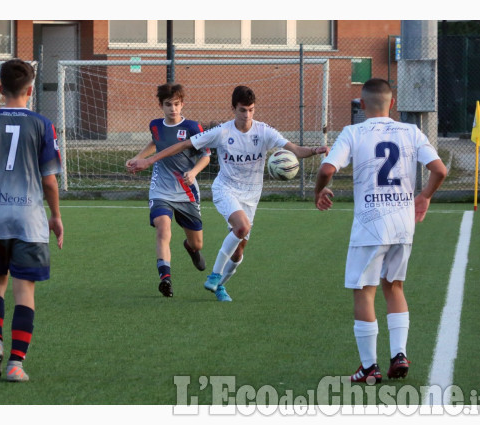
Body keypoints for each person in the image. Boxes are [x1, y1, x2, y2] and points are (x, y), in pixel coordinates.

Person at [129, 85, 327, 301]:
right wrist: (148, 160)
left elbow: (295, 150)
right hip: (225, 189)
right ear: (234, 109)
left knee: (239, 251)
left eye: (251, 110)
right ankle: (211, 275)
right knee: (241, 227)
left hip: (251, 196)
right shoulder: (222, 132)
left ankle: (220, 285)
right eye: (243, 110)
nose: (247, 115)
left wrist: (314, 151)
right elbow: (183, 144)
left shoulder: (264, 131)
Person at [314, 78, 447, 383]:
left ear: (361, 106)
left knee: (364, 291)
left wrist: (319, 191)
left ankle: (369, 367)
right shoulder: (411, 131)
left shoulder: (353, 132)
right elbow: (440, 169)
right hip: (403, 223)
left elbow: (326, 169)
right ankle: (399, 354)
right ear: (393, 104)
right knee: (394, 287)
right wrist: (424, 196)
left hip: (370, 225)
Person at [0, 59, 63, 383]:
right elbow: (50, 180)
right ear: (31, 90)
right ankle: (16, 364)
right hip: (29, 221)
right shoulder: (43, 124)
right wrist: (56, 215)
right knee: (25, 292)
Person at [126, 83, 210, 298]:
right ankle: (165, 278)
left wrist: (193, 173)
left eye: (176, 104)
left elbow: (206, 156)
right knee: (163, 228)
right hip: (160, 188)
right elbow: (155, 142)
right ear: (160, 106)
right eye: (168, 105)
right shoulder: (155, 125)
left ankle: (191, 248)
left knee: (197, 242)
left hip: (186, 191)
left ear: (182, 104)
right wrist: (138, 158)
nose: (173, 109)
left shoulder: (192, 127)